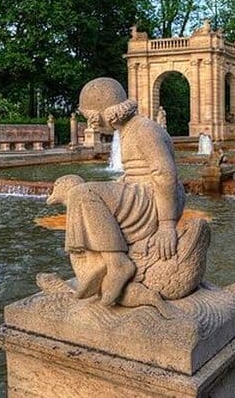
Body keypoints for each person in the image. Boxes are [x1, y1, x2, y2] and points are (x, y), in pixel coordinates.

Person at [62, 78, 184, 306]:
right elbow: (138, 172)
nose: (91, 125)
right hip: (141, 195)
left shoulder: (144, 129)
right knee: (82, 194)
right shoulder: (129, 130)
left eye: (91, 118)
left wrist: (167, 225)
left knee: (82, 192)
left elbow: (164, 174)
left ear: (107, 113)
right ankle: (100, 264)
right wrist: (120, 183)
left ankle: (117, 263)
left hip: (150, 202)